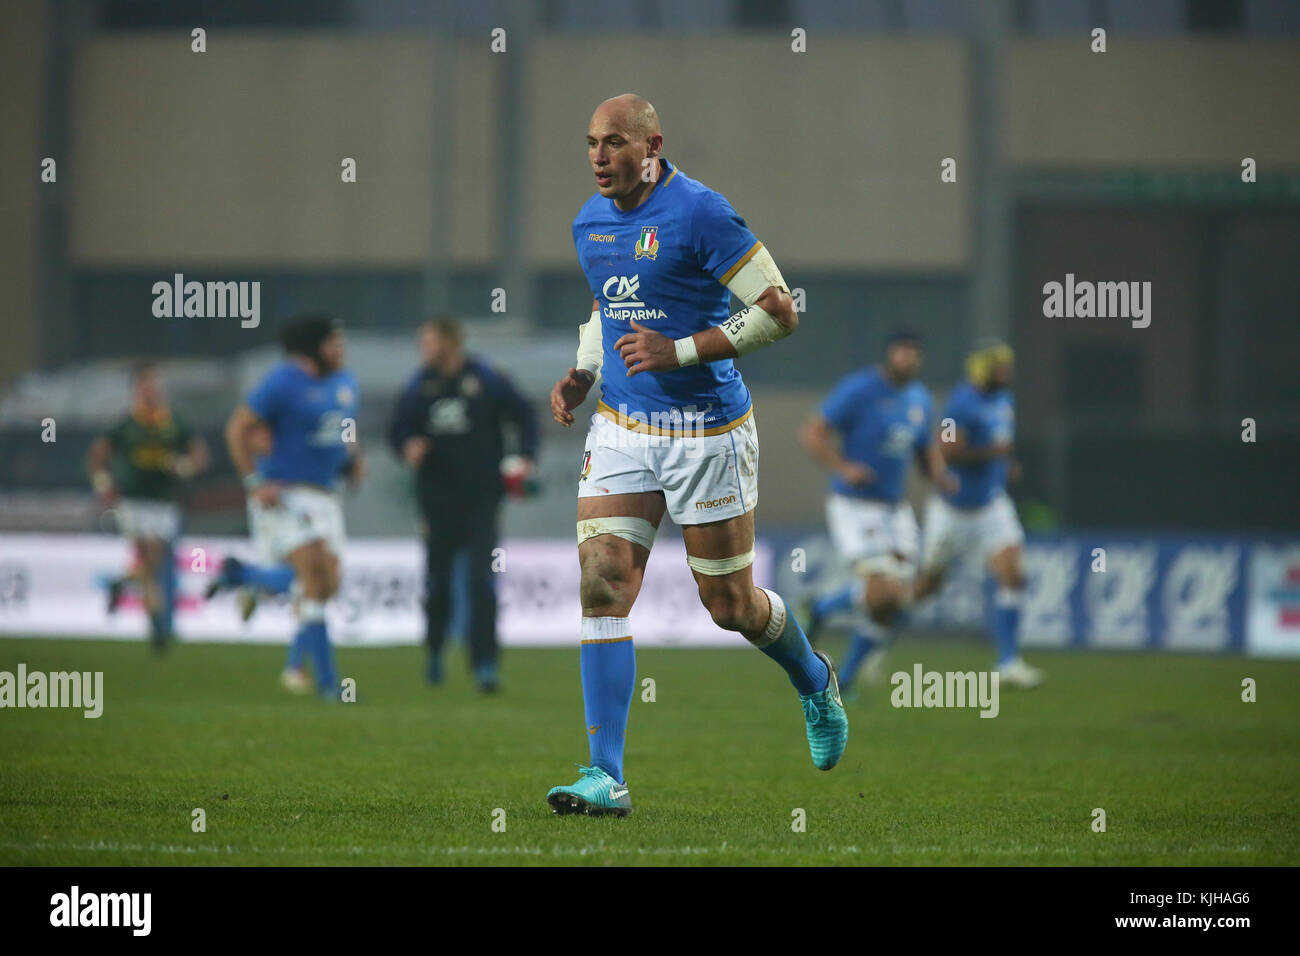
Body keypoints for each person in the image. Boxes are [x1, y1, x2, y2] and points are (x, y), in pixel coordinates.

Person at [545, 94, 847, 817]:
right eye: (590, 142)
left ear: (652, 144)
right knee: (603, 579)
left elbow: (780, 311)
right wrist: (585, 372)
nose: (598, 156)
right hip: (622, 425)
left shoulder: (701, 213)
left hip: (706, 430)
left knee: (730, 606)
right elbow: (606, 309)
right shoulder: (590, 222)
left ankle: (813, 678)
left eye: (613, 142)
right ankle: (605, 775)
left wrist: (676, 350)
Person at [387, 317, 539, 692]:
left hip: (482, 498)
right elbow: (398, 428)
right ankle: (436, 651)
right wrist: (407, 445)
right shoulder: (418, 384)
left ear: (451, 342)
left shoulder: (486, 378)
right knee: (437, 580)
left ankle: (484, 663)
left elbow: (525, 414)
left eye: (429, 340)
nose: (423, 348)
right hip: (436, 499)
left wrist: (524, 457)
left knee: (479, 580)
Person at [217, 316, 364, 696]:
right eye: (334, 344)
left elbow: (346, 427)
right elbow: (238, 428)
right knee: (314, 574)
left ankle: (245, 577)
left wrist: (353, 455)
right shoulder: (283, 382)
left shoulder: (345, 383)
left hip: (327, 496)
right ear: (313, 348)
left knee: (326, 584)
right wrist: (254, 481)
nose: (341, 351)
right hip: (287, 493)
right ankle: (328, 684)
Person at [799, 331, 954, 692]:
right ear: (889, 354)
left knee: (900, 601)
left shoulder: (919, 398)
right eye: (902, 352)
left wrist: (939, 475)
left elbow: (923, 446)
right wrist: (843, 467)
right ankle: (822, 611)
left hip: (895, 509)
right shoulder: (860, 389)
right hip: (856, 506)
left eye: (915, 354)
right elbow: (812, 432)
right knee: (884, 592)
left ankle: (845, 669)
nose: (908, 359)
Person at [913, 342, 1043, 688]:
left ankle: (1009, 662)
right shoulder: (961, 404)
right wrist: (992, 454)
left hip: (992, 505)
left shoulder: (1003, 400)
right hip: (953, 509)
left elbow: (1001, 443)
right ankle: (877, 638)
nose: (1007, 374)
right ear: (983, 369)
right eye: (1000, 368)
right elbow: (947, 450)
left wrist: (1005, 465)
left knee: (1013, 574)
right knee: (926, 587)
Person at [87, 361, 209, 649]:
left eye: (155, 384)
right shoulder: (126, 425)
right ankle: (158, 630)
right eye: (146, 385)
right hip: (133, 500)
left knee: (152, 563)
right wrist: (103, 483)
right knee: (149, 560)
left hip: (164, 502)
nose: (152, 390)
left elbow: (199, 456)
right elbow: (97, 457)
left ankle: (120, 583)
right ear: (137, 389)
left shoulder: (174, 422)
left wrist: (185, 466)